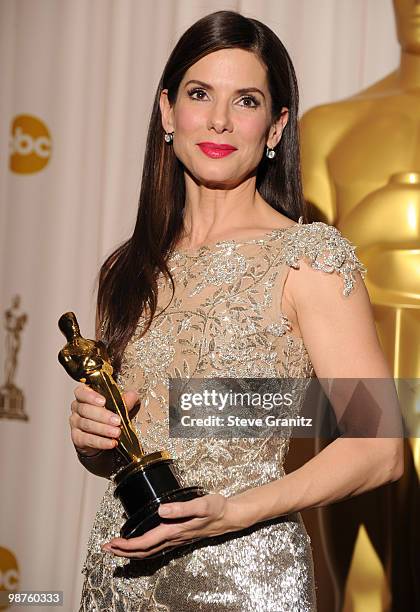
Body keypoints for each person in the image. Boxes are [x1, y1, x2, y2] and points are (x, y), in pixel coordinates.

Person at [69, 10, 403, 611]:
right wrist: (93, 440)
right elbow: (130, 447)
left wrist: (234, 512)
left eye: (246, 101)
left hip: (241, 581)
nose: (220, 120)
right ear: (168, 111)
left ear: (275, 128)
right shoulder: (130, 268)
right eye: (200, 94)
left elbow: (380, 448)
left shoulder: (310, 259)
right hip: (116, 576)